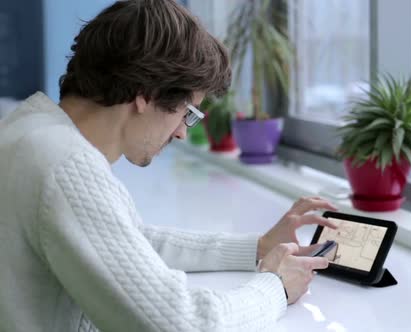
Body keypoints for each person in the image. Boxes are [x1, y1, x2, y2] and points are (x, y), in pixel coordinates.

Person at [0, 1, 338, 331]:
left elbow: (122, 242)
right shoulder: (67, 166)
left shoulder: (26, 129)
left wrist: (256, 247)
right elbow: (179, 323)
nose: (180, 132)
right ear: (147, 93)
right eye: (187, 113)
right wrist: (276, 287)